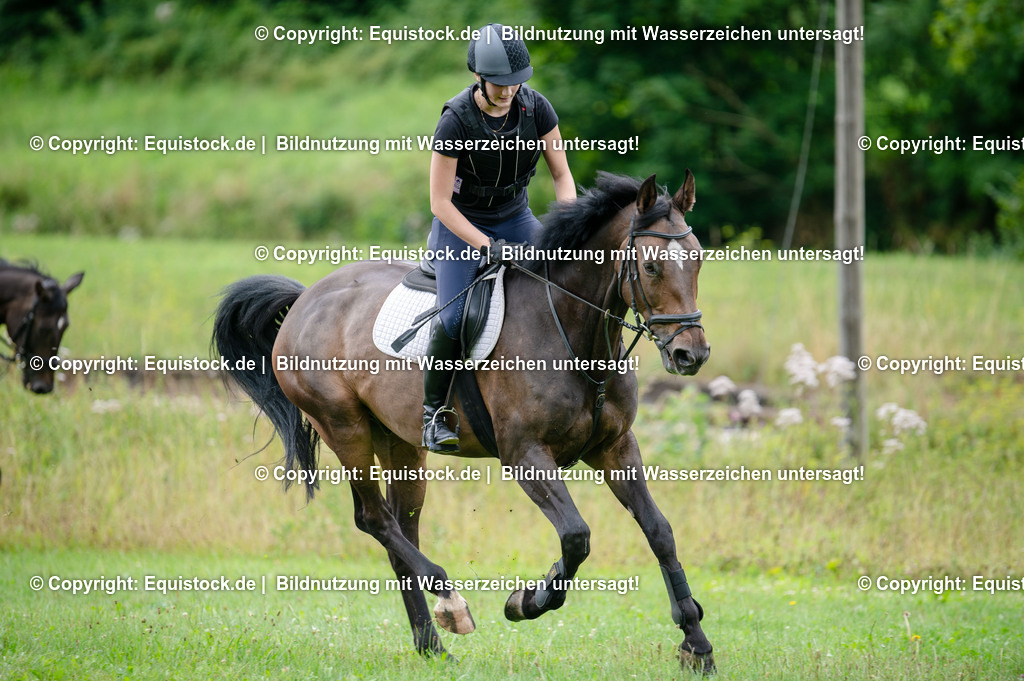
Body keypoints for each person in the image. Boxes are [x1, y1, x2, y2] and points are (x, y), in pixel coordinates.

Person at [422, 22, 576, 452]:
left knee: (561, 283)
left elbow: (562, 175)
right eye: (499, 84)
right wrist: (486, 246)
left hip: (515, 216)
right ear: (478, 77)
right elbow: (440, 204)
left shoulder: (537, 108)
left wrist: (566, 223)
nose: (509, 91)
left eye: (516, 83)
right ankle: (433, 414)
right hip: (461, 224)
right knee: (453, 318)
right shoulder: (455, 121)